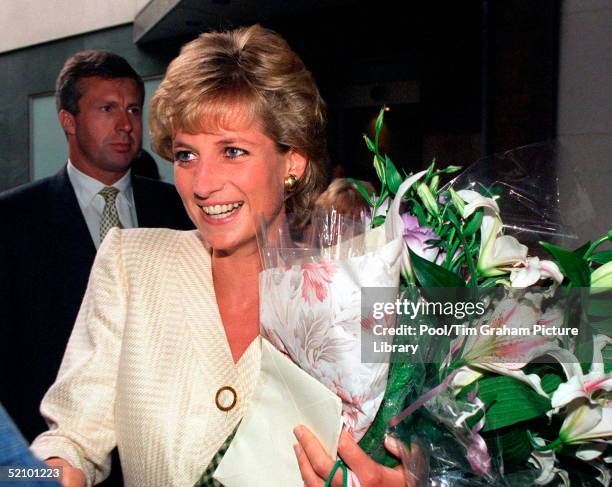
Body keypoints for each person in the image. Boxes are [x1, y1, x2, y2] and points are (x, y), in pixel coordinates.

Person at [30, 26, 407, 487]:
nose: (202, 183)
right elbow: (69, 438)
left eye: (232, 151)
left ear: (293, 162)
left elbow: (431, 453)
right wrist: (41, 474)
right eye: (186, 155)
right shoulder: (133, 264)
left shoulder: (362, 288)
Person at [0, 51, 192, 462]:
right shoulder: (12, 219)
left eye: (133, 109)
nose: (125, 125)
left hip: (166, 450)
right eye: (107, 109)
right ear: (68, 120)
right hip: (55, 452)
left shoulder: (183, 207)